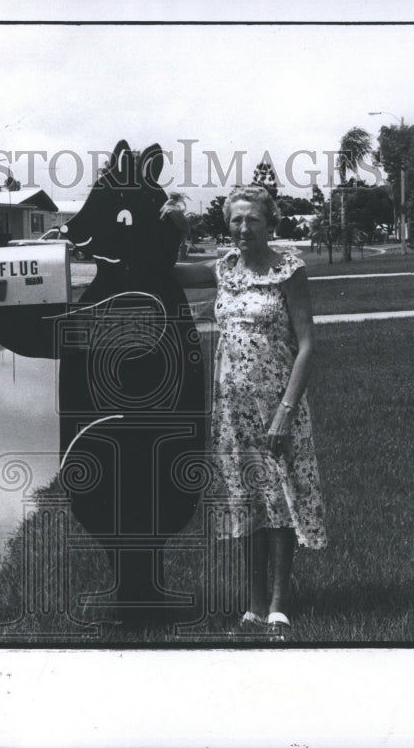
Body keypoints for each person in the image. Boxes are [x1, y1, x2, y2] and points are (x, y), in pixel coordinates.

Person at [171, 185, 327, 635]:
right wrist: (177, 226)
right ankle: (254, 604)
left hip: (277, 405)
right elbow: (165, 269)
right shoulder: (224, 270)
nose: (243, 228)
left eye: (252, 220)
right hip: (232, 410)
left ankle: (279, 603)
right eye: (236, 220)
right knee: (246, 501)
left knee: (279, 499)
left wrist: (285, 411)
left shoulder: (288, 272)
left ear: (269, 223)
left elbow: (307, 346)